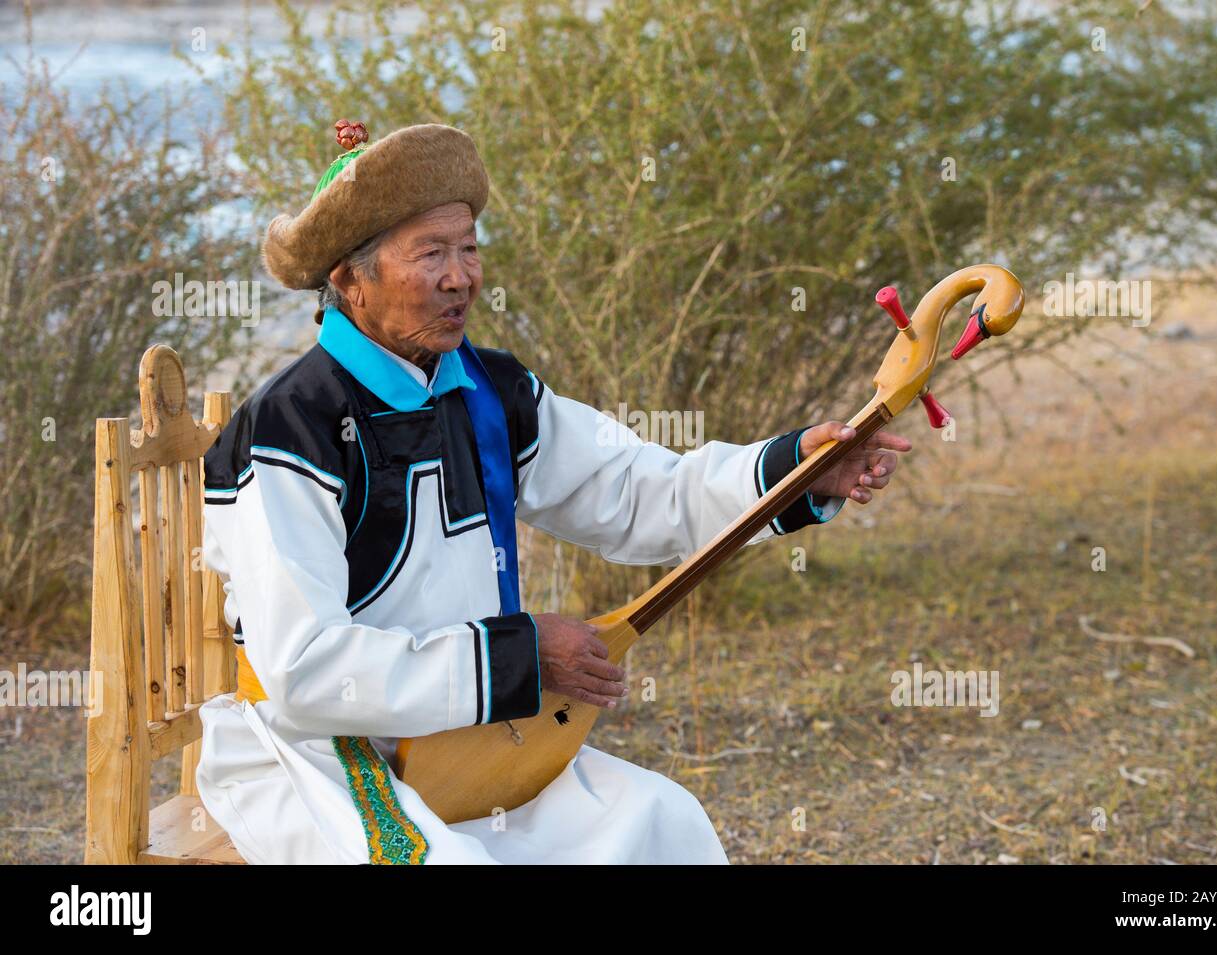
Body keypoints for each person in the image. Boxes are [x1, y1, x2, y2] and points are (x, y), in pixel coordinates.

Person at [195, 120, 911, 864]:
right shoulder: (289, 427)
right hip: (316, 755)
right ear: (349, 278)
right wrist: (523, 657)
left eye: (468, 247)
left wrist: (794, 467)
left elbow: (639, 491)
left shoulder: (490, 392)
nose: (460, 276)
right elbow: (306, 669)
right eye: (431, 253)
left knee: (664, 822)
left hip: (479, 735)